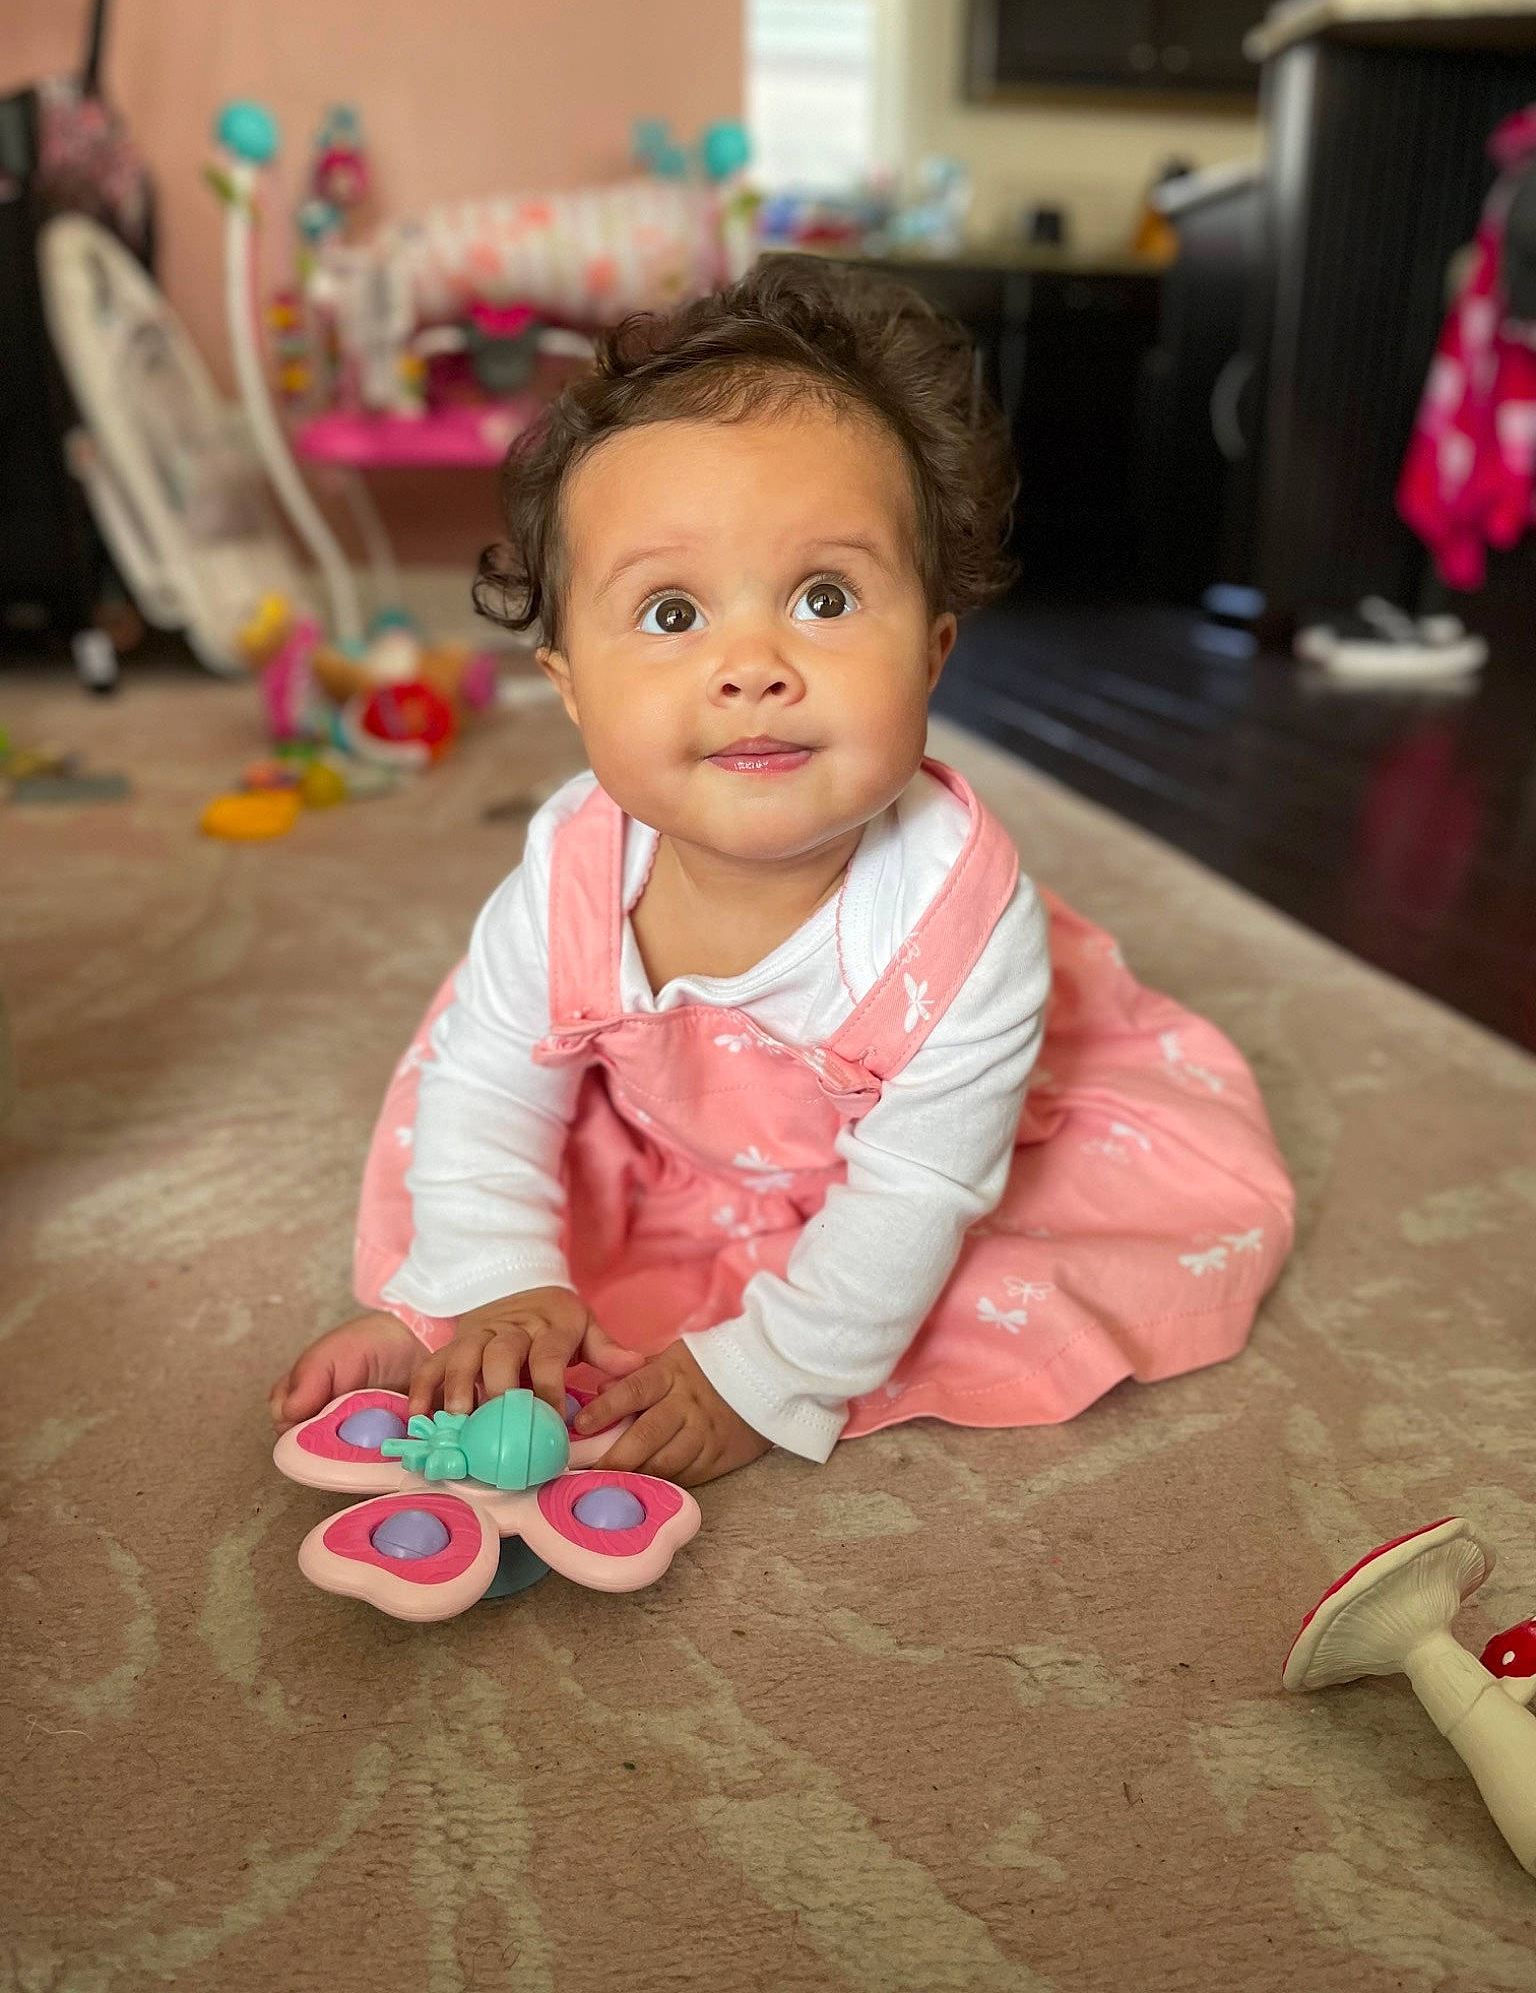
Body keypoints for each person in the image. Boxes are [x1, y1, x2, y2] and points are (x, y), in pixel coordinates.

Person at [269, 256, 1294, 1487]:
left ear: (932, 651)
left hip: (907, 1148)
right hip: (660, 1125)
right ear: (570, 689)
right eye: (669, 614)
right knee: (467, 1134)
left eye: (823, 594)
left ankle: (787, 1329)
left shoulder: (958, 930)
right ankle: (469, 1312)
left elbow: (917, 1186)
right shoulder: (574, 867)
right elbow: (491, 1086)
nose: (751, 663)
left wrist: (768, 1374)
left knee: (1010, 1250)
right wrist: (494, 1281)